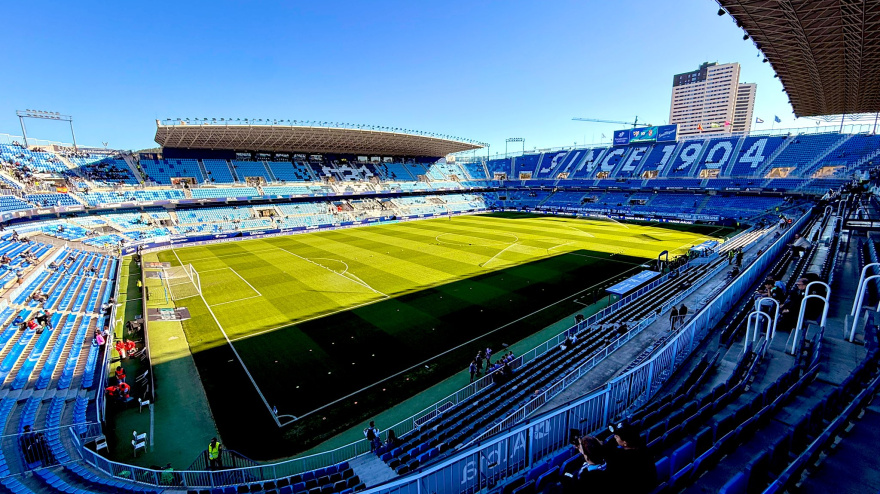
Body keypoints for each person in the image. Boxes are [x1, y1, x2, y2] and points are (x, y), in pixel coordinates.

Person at [602, 420, 657, 494]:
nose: (614, 437)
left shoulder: (621, 459)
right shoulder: (644, 449)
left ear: (625, 443)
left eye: (617, 436)